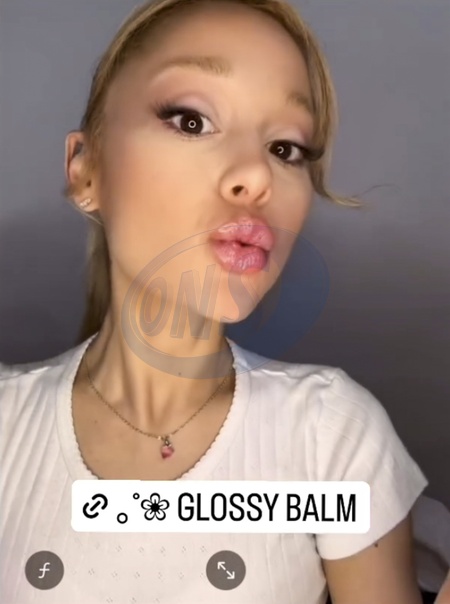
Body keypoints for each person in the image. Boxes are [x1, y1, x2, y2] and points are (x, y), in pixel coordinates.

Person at [0, 0, 429, 602]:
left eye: (286, 148)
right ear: (85, 168)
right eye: (192, 120)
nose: (258, 176)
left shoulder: (331, 434)